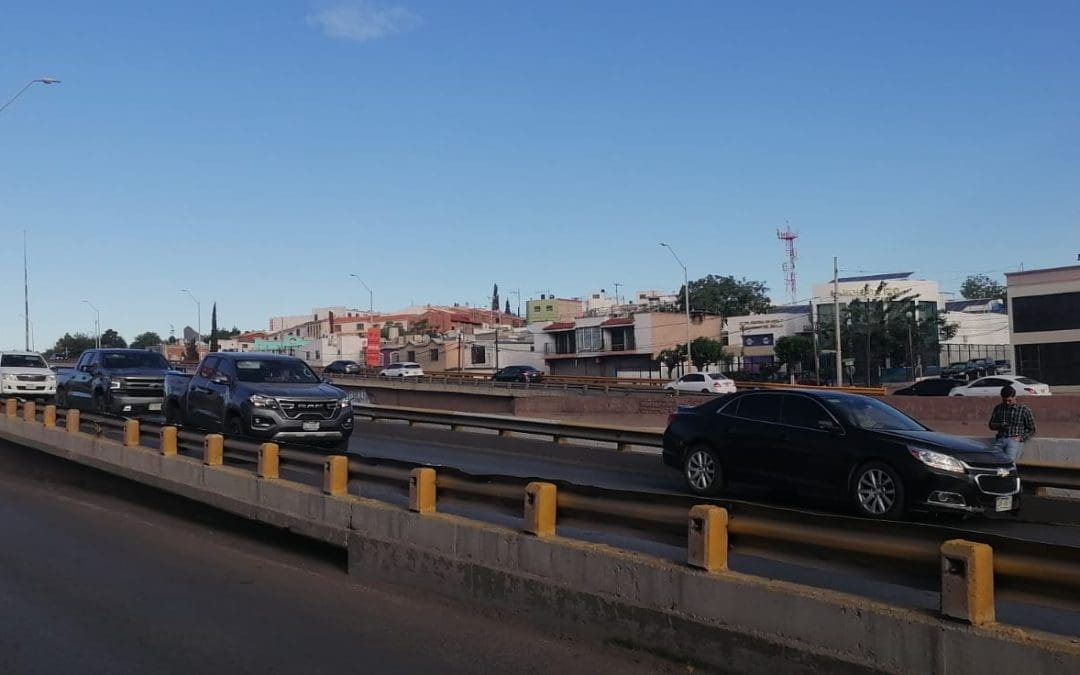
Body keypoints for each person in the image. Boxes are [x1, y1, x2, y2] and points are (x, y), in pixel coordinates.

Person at [988, 385, 1036, 462]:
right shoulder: (998, 408)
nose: (1007, 403)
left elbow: (1032, 429)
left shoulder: (1024, 410)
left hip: (1014, 440)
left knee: (1009, 462)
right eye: (1004, 400)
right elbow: (991, 425)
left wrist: (1020, 438)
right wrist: (1000, 425)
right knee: (994, 461)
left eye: (1009, 400)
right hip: (1000, 439)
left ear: (1015, 397)